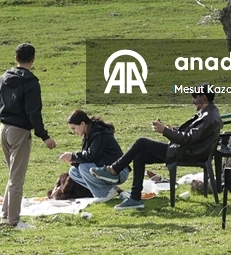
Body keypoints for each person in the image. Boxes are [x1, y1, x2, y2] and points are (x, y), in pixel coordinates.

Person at [90, 88, 222, 210]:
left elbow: (189, 139)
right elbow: (193, 137)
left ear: (204, 97)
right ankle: (135, 198)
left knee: (141, 142)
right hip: (186, 151)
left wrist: (165, 131)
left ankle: (113, 170)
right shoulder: (209, 113)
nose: (193, 101)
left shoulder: (208, 117)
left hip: (186, 153)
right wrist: (173, 131)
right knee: (139, 156)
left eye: (195, 97)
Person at [0, 43, 56, 229]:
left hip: (3, 128)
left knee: (12, 175)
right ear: (33, 59)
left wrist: (5, 117)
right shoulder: (30, 82)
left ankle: (5, 215)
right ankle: (13, 221)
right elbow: (34, 112)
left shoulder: (3, 77)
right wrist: (44, 136)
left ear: (15, 58)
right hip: (19, 131)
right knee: (17, 178)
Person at [58, 110, 130, 203]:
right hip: (107, 169)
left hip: (118, 171)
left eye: (74, 128)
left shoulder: (99, 133)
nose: (73, 132)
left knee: (84, 167)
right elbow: (89, 156)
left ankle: (104, 194)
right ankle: (112, 190)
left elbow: (92, 156)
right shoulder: (89, 133)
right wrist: (73, 160)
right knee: (74, 172)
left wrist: (73, 156)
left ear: (83, 124)